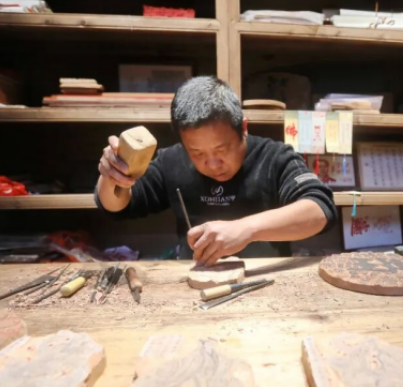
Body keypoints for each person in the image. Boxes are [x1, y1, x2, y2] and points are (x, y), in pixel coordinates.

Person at [95, 76, 337, 266]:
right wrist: (112, 176)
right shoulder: (172, 160)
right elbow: (117, 206)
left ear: (243, 128)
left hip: (264, 279)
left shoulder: (274, 157)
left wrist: (246, 230)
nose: (212, 164)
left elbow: (320, 210)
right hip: (195, 281)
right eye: (197, 153)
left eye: (221, 150)